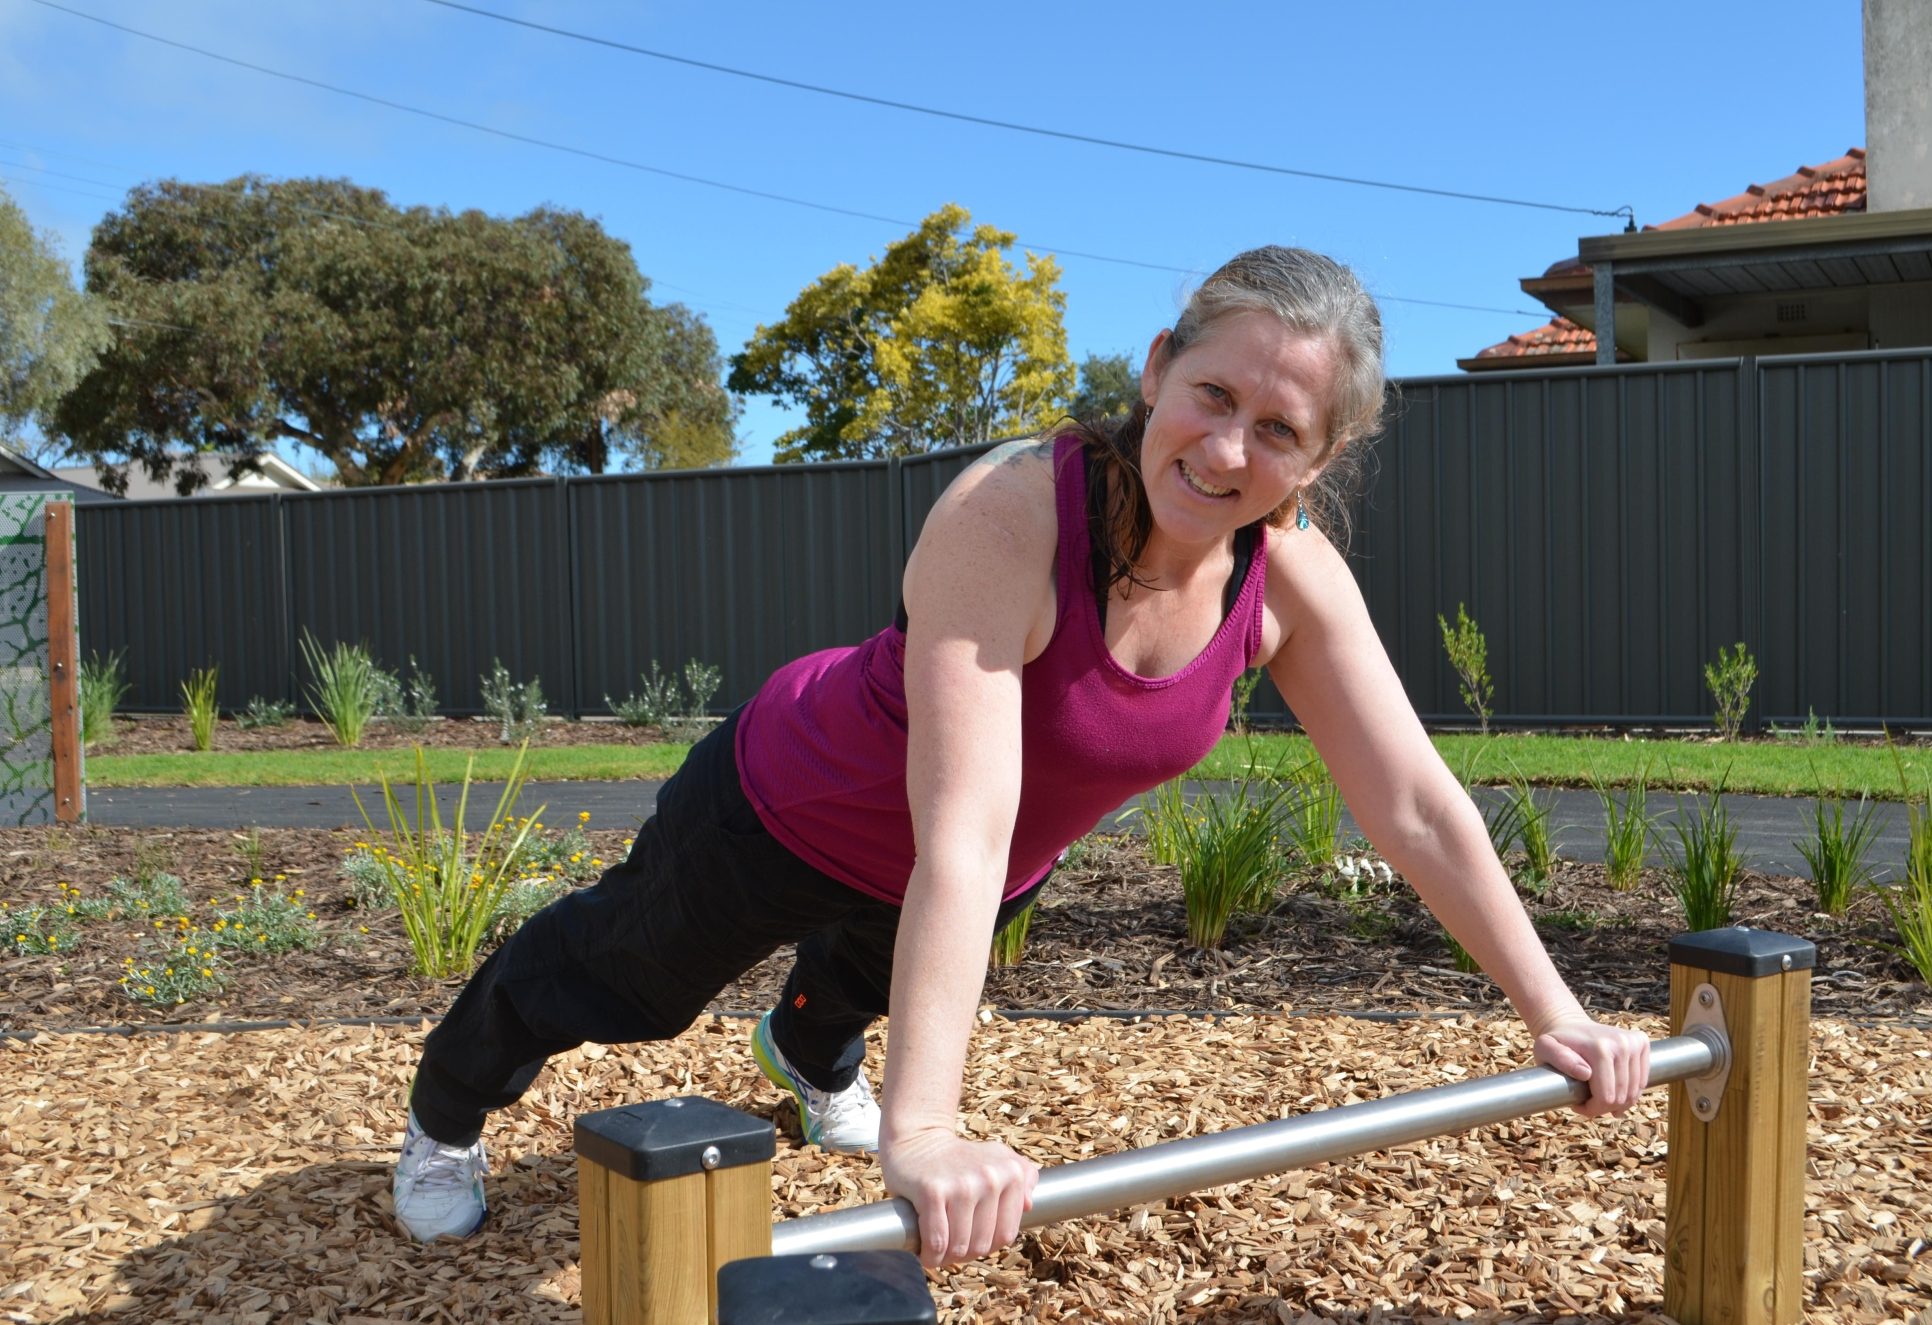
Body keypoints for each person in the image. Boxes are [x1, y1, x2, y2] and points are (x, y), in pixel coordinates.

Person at [391, 246, 1651, 1264]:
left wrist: (1559, 1014)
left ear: (1316, 461)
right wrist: (923, 1130)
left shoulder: (1289, 582)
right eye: (1211, 394)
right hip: (793, 801)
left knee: (861, 993)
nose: (1224, 450)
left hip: (968, 870)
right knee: (625, 982)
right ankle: (444, 1111)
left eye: (1276, 429)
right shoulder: (1011, 511)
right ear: (1156, 368)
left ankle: (810, 1050)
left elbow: (1416, 805)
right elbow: (967, 822)